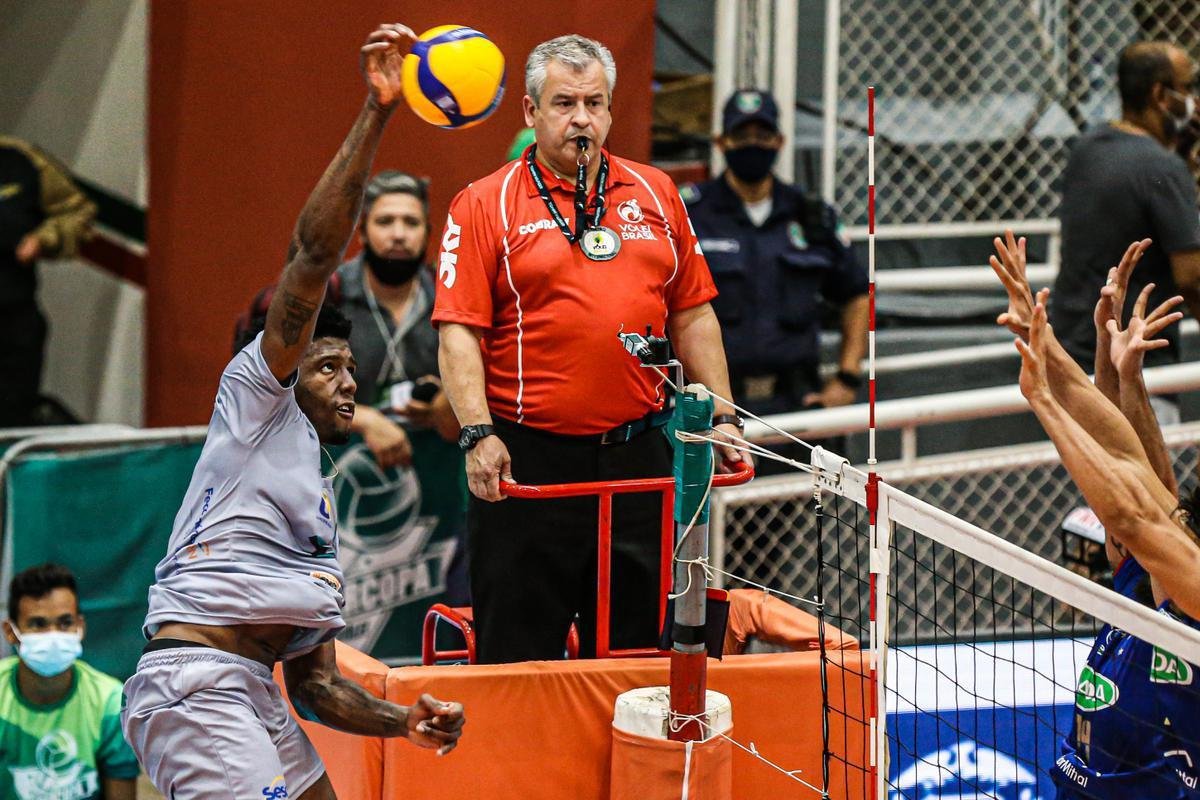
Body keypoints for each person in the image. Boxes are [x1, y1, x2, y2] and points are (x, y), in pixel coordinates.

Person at [121, 25, 464, 800]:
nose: (348, 383)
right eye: (328, 367)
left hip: (253, 690)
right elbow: (311, 257)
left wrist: (403, 721)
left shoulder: (318, 507)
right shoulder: (256, 406)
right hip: (196, 685)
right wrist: (378, 112)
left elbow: (316, 686)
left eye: (353, 370)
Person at [434, 34, 743, 664]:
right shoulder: (484, 202)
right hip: (528, 462)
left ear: (609, 109)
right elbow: (459, 329)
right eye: (564, 103)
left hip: (638, 458)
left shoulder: (657, 192)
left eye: (594, 103)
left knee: (636, 657)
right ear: (530, 110)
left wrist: (723, 414)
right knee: (518, 661)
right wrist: (477, 433)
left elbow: (692, 312)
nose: (581, 119)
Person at [989, 230, 1200, 799]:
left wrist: (1045, 401)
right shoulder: (1148, 576)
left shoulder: (1194, 584)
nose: (1173, 514)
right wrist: (1046, 338)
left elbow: (1135, 513)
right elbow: (1128, 461)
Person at [682, 89, 868, 422]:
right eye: (742, 136)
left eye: (763, 136)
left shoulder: (811, 215)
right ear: (721, 142)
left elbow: (857, 293)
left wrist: (847, 377)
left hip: (798, 405)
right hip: (713, 407)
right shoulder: (690, 213)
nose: (753, 145)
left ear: (780, 142)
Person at [1051, 41, 1200, 424]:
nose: (1193, 101)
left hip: (1074, 361)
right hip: (1136, 373)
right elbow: (1192, 277)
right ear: (1160, 95)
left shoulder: (1087, 149)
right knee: (1146, 465)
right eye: (1187, 88)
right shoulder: (1162, 168)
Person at [337, 170, 459, 468]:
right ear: (362, 232)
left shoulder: (451, 296)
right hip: (338, 467)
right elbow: (286, 388)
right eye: (385, 222)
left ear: (428, 233)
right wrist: (364, 419)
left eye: (411, 223)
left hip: (434, 469)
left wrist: (447, 400)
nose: (399, 234)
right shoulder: (329, 296)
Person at [0, 563, 138, 799]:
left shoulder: (110, 703)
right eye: (38, 624)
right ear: (11, 632)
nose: (53, 635)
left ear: (80, 627)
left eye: (65, 623)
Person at [0, 137, 96, 428]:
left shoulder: (19, 159)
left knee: (13, 419)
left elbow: (77, 212)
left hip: (13, 321)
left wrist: (44, 239)